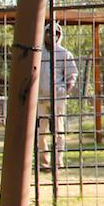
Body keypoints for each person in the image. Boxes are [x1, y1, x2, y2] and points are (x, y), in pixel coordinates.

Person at [37, 21, 77, 171]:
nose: (51, 35)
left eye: (56, 33)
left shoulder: (64, 53)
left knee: (59, 131)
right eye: (48, 32)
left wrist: (65, 89)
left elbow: (72, 74)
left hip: (58, 98)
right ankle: (44, 163)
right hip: (40, 99)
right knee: (40, 132)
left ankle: (58, 162)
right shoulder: (38, 52)